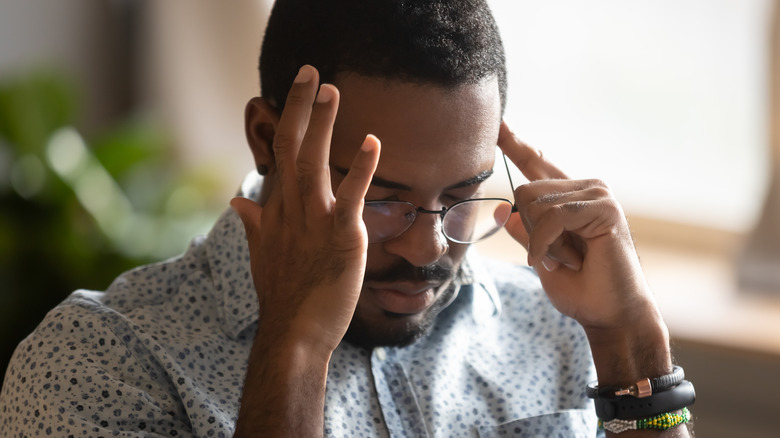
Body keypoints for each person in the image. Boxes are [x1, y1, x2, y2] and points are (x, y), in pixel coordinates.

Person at [0, 0, 694, 436]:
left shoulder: (562, 329)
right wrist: (294, 348)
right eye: (381, 197)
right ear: (270, 142)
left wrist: (629, 337)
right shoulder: (96, 364)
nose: (428, 246)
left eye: (460, 196)